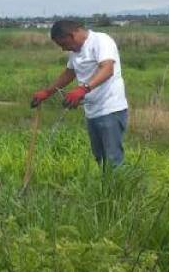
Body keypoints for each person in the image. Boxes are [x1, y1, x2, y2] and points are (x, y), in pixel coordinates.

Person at [31, 20, 129, 167]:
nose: (64, 49)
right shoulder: (75, 51)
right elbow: (69, 74)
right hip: (92, 112)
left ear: (73, 35)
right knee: (100, 159)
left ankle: (119, 190)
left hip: (110, 109)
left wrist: (83, 89)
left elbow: (107, 69)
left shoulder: (101, 41)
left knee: (113, 160)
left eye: (64, 44)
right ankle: (106, 190)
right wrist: (47, 92)